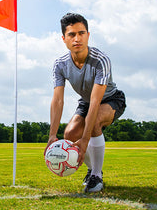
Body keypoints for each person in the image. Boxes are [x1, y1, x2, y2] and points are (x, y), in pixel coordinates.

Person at [44, 13, 126, 193]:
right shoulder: (60, 64)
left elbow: (96, 101)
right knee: (70, 133)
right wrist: (51, 136)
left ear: (88, 35)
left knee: (94, 120)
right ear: (64, 39)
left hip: (111, 99)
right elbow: (58, 100)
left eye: (81, 33)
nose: (77, 38)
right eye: (72, 34)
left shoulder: (100, 60)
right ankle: (91, 169)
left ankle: (97, 175)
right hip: (86, 101)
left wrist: (86, 139)